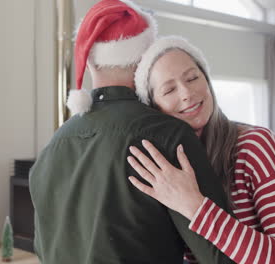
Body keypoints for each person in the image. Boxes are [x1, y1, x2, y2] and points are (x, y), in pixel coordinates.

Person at [29, 1, 235, 263]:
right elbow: (221, 257)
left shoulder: (52, 148)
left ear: (90, 63)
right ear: (146, 59)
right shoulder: (170, 137)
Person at [128, 35, 275, 263]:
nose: (186, 93)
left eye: (192, 78)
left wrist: (195, 206)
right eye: (169, 90)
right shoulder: (165, 171)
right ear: (153, 106)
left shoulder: (256, 146)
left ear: (207, 80)